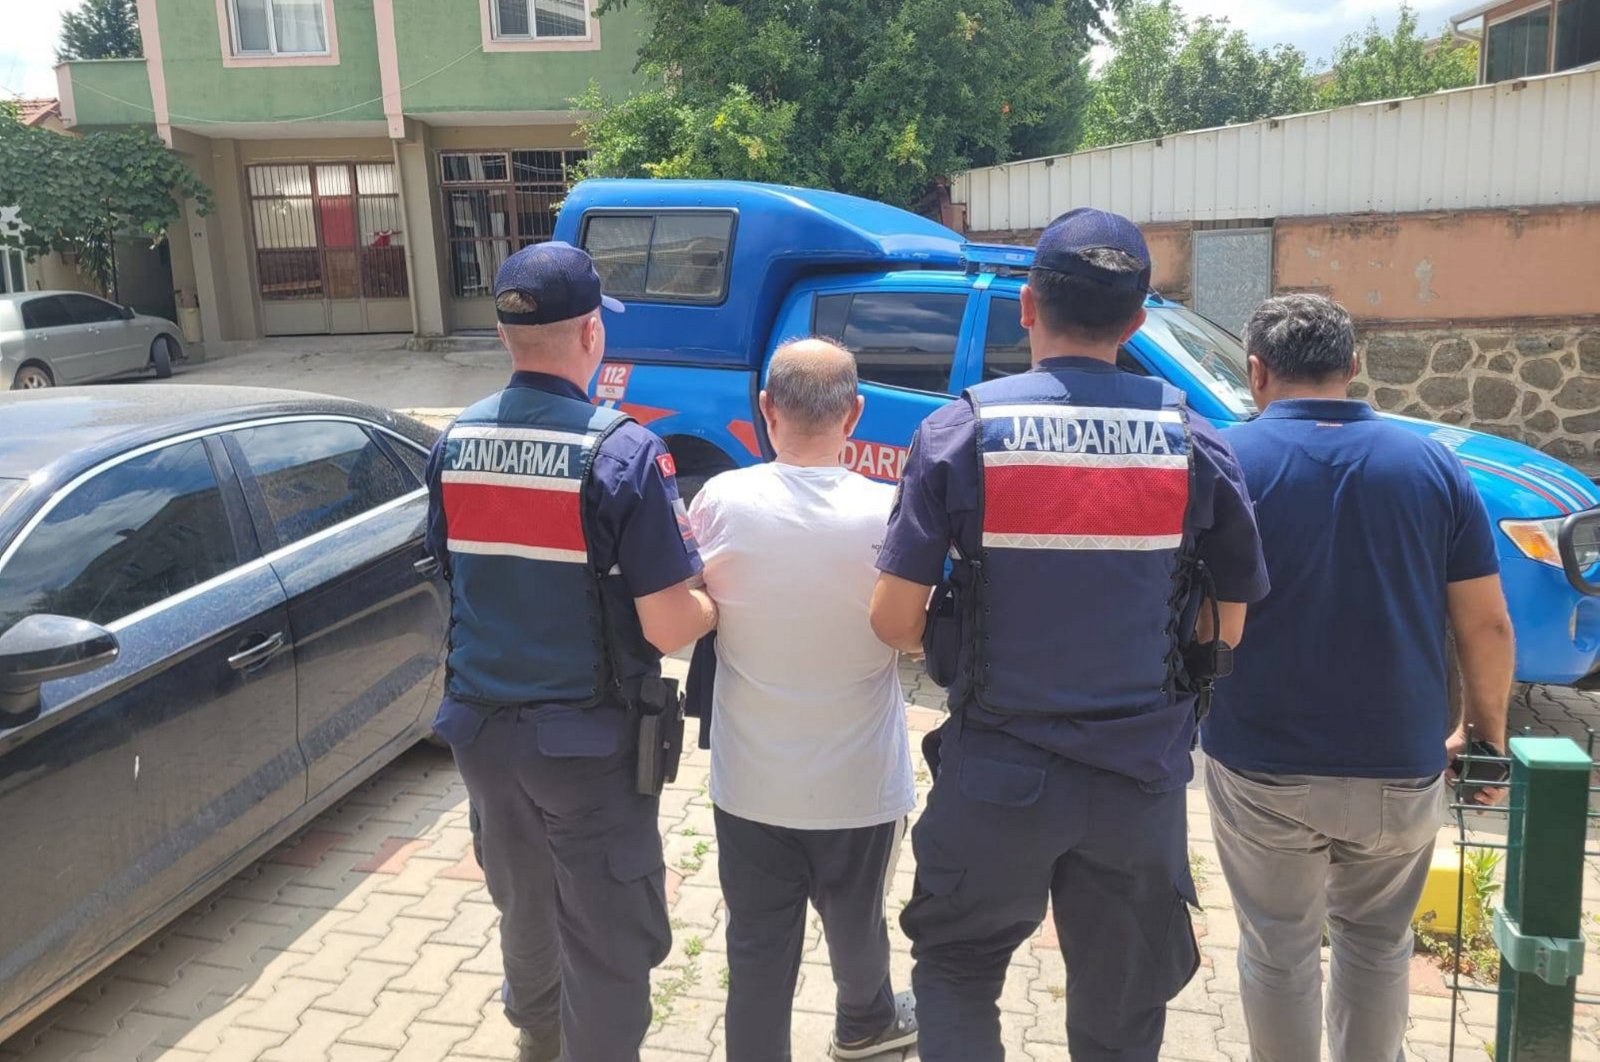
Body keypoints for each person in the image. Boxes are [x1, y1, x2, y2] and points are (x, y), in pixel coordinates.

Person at [868, 207, 1270, 1062]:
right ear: (1136, 320)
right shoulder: (1195, 440)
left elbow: (893, 621)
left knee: (957, 972)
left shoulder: (961, 432)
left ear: (1026, 305)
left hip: (996, 775)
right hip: (1140, 783)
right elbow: (1226, 625)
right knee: (1121, 1016)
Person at [1200, 293, 1514, 1062]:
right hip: (1401, 761)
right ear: (1353, 367)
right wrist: (1485, 737)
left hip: (1260, 757)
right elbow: (1488, 624)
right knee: (1377, 945)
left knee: (1278, 949)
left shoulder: (1224, 460)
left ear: (1256, 371)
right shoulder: (1432, 464)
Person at [424, 241, 718, 1062]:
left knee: (523, 904)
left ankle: (537, 1041)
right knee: (610, 938)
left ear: (502, 332)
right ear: (592, 334)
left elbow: (456, 573)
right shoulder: (619, 452)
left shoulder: (454, 444)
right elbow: (667, 626)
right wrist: (711, 593)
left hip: (481, 735)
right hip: (585, 748)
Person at [686, 338, 919, 1062]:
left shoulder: (721, 500)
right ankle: (865, 1025)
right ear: (856, 412)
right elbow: (913, 637)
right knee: (858, 922)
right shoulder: (891, 513)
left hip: (750, 783)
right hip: (860, 782)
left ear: (766, 411)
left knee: (755, 946)